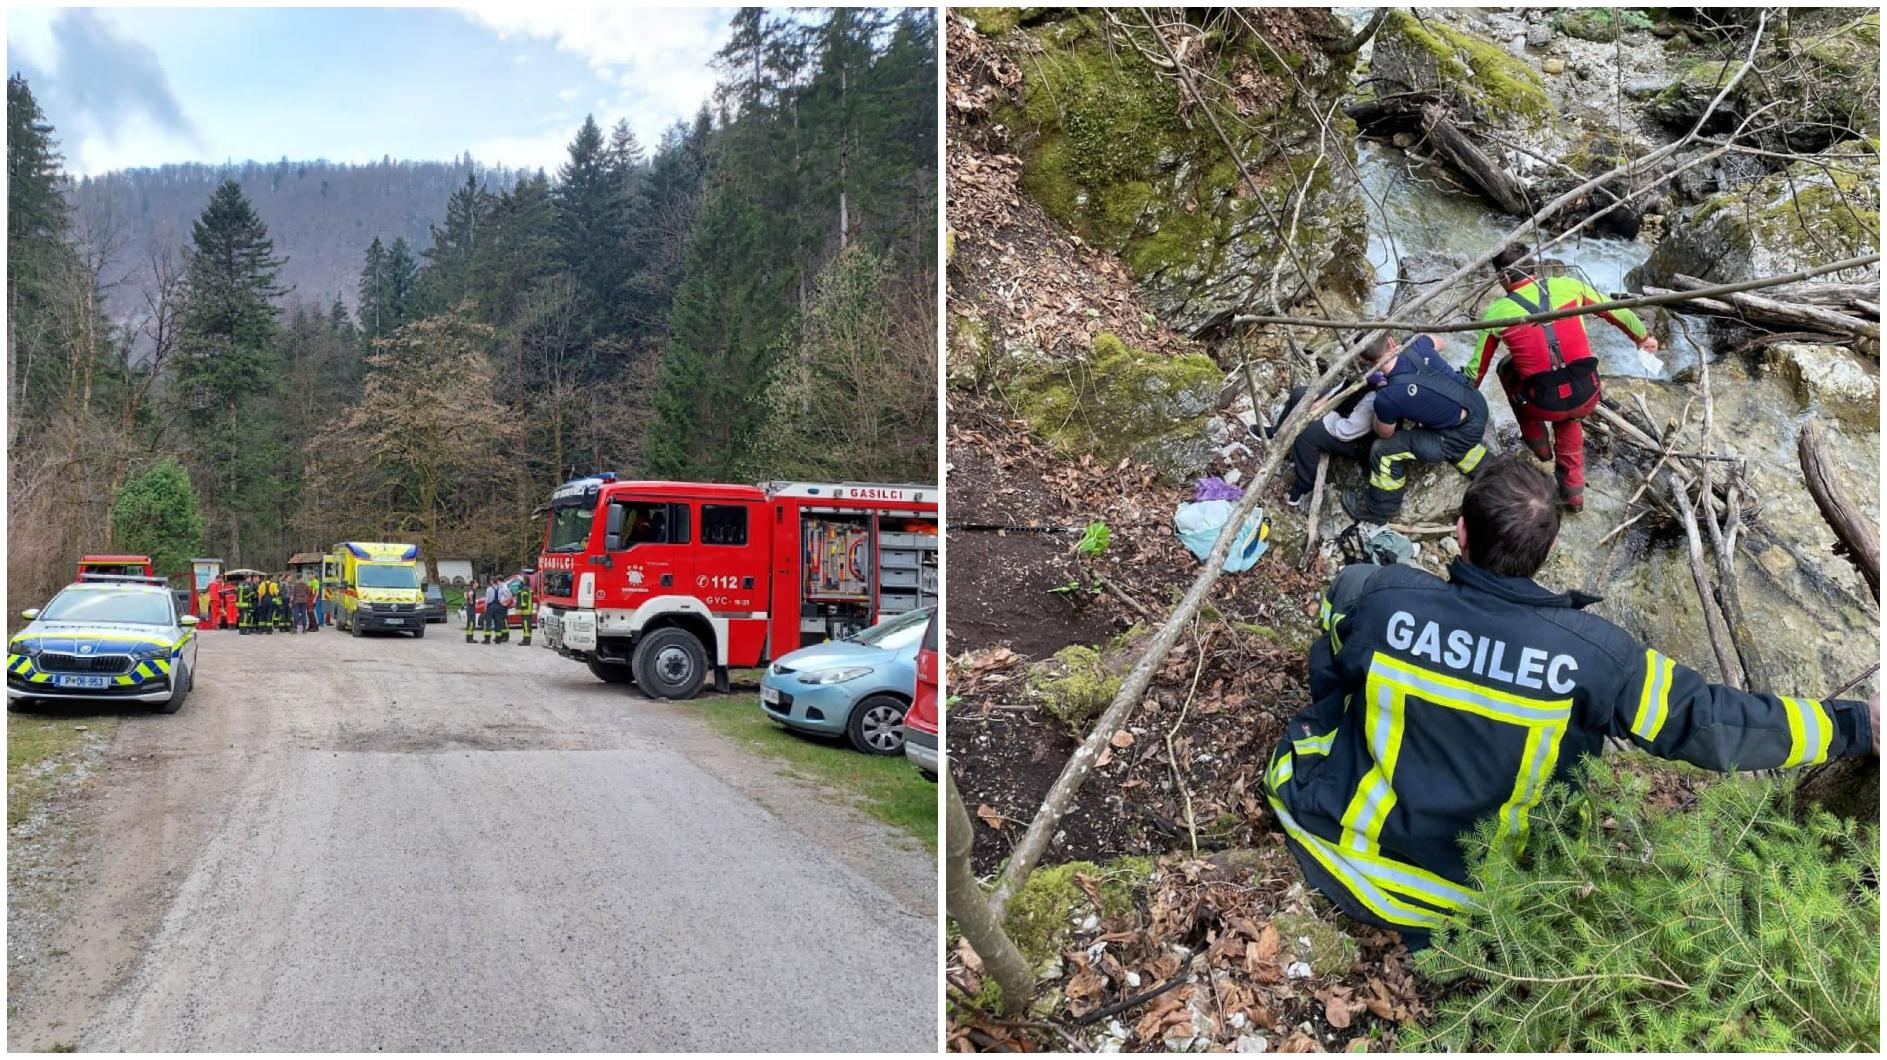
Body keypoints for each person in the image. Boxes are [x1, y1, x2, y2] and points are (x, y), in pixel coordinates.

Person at [1264, 456, 1877, 949]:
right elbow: (1712, 723)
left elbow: (1333, 649)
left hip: (1336, 850)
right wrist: (1855, 723)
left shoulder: (1382, 596)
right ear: (1549, 549)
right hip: (1477, 896)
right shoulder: (1600, 657)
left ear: (1459, 532)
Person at [1466, 245, 1660, 513]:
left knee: (1506, 368)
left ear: (1504, 278)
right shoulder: (1569, 286)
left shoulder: (1496, 313)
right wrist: (1643, 338)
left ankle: (1539, 446)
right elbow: (1618, 311)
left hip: (1541, 403)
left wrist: (1459, 394)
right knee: (1570, 419)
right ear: (1534, 268)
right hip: (1586, 393)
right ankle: (1573, 497)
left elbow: (1476, 371)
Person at [1294, 333, 1489, 525]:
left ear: (1364, 360)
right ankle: (1487, 470)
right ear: (1391, 341)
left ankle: (1379, 511)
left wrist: (1384, 407)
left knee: (1383, 450)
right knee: (1447, 423)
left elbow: (1384, 433)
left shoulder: (1388, 397)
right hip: (1476, 406)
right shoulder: (1416, 343)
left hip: (1455, 434)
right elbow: (1440, 341)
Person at [513, 571, 535, 647]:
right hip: (526, 611)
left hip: (526, 611)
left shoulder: (525, 590)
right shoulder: (526, 589)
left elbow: (524, 602)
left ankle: (527, 641)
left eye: (521, 581)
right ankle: (525, 640)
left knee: (526, 626)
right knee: (526, 627)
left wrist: (520, 608)